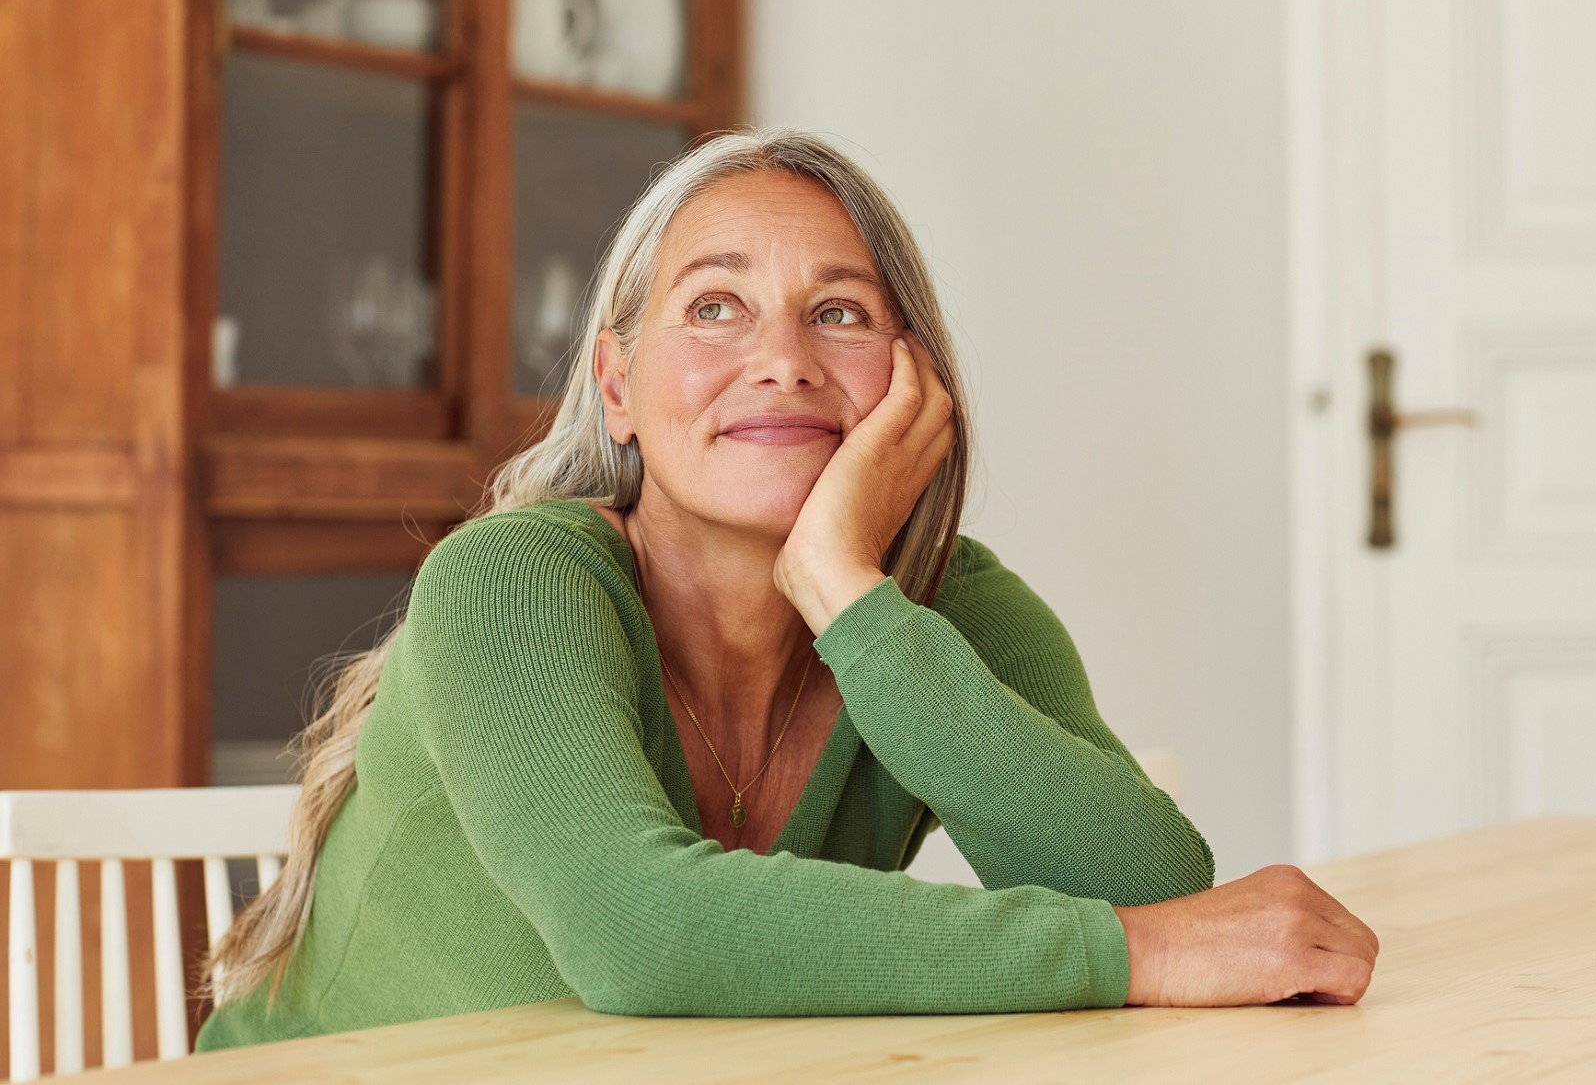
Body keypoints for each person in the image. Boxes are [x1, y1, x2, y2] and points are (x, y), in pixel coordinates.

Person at [195, 127, 1377, 1050]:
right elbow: (641, 932)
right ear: (616, 385)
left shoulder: (928, 603)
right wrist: (1132, 955)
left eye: (840, 313)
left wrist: (845, 595)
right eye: (714, 307)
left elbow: (1150, 882)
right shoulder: (514, 580)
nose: (781, 357)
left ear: (913, 379)